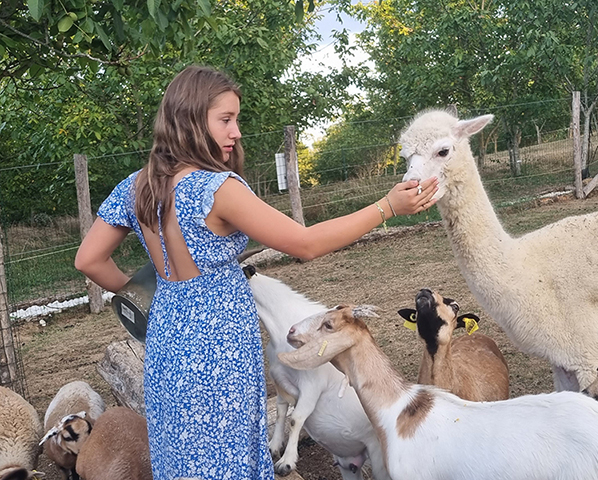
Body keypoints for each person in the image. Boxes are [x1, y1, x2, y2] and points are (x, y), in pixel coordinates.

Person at [74, 65, 437, 480]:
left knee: (182, 457)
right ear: (190, 120)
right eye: (225, 120)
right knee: (230, 457)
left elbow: (88, 260)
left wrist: (147, 294)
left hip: (167, 343)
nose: (237, 132)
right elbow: (306, 243)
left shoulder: (137, 185)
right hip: (220, 348)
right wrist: (386, 207)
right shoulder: (217, 189)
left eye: (236, 119)